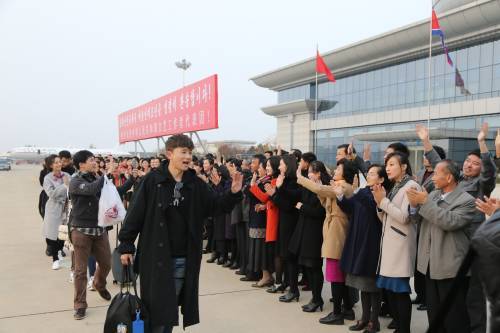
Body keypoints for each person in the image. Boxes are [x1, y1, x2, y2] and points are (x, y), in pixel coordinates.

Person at [118, 134, 243, 333]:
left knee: (165, 313)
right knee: (158, 313)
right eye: (183, 152)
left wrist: (234, 193)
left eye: (190, 153)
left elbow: (215, 207)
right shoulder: (153, 180)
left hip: (183, 259)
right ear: (170, 154)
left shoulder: (195, 183)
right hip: (156, 257)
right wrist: (126, 244)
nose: (188, 157)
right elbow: (135, 214)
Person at [416, 123, 497, 333]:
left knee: (468, 305)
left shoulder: (481, 185)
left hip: (470, 246)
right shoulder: (455, 182)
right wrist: (426, 141)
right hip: (448, 249)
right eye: (468, 161)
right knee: (441, 309)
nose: (470, 165)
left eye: (475, 163)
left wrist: (482, 142)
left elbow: (489, 171)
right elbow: (439, 166)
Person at [407, 159, 477, 333]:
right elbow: (417, 220)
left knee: (455, 318)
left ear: (449, 177)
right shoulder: (433, 195)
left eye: (437, 174)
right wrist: (414, 205)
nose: (433, 178)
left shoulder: (466, 200)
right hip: (431, 265)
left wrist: (424, 203)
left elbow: (449, 221)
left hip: (451, 267)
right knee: (435, 315)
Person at [296, 159, 357, 323]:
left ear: (345, 173)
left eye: (339, 168)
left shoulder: (343, 186)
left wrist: (300, 177)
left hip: (337, 231)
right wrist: (318, 187)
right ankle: (347, 310)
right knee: (338, 275)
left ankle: (337, 313)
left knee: (335, 275)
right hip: (334, 229)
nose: (335, 170)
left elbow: (320, 189)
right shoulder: (339, 186)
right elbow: (325, 201)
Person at [372, 152, 421, 333]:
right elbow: (385, 217)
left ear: (404, 166)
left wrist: (383, 201)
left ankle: (403, 329)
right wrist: (379, 204)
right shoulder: (395, 186)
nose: (388, 168)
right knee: (390, 292)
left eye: (392, 164)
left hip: (400, 246)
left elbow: (405, 217)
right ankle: (399, 327)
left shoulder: (411, 186)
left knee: (399, 292)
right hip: (390, 245)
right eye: (387, 165)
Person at [336, 164, 388, 332]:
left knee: (372, 285)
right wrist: (341, 198)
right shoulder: (364, 192)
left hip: (371, 241)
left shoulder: (378, 193)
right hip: (358, 239)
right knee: (363, 284)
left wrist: (357, 190)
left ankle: (374, 321)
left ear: (381, 179)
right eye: (369, 173)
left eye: (373, 173)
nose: (370, 175)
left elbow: (370, 205)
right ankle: (364, 318)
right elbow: (350, 207)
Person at [281, 161, 327, 311]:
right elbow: (295, 195)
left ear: (319, 174)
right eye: (308, 174)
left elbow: (320, 212)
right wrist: (280, 187)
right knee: (306, 266)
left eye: (311, 173)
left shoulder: (323, 189)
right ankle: (311, 297)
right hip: (302, 230)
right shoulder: (307, 187)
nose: (309, 176)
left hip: (314, 233)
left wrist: (302, 207)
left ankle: (317, 299)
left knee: (314, 267)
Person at [266, 155, 300, 294]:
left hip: (290, 223)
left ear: (288, 165)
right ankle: (286, 284)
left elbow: (287, 205)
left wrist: (276, 193)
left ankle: (293, 289)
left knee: (289, 257)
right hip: (284, 221)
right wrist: (275, 193)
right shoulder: (284, 180)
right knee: (283, 255)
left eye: (281, 164)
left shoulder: (294, 182)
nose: (279, 167)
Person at [250, 156, 281, 287]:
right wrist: (265, 205)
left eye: (268, 166)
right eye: (266, 166)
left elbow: (264, 197)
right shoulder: (272, 180)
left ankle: (272, 279)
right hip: (269, 216)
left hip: (274, 219)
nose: (267, 168)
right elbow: (269, 200)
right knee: (268, 251)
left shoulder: (274, 181)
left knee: (270, 251)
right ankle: (269, 277)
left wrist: (252, 185)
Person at [42, 154, 70, 270]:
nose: (59, 164)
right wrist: (64, 185)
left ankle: (59, 254)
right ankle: (55, 259)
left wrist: (67, 187)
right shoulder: (47, 178)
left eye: (60, 162)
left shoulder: (67, 175)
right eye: (56, 162)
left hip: (66, 208)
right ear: (50, 165)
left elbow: (72, 190)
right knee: (53, 235)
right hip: (53, 209)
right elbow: (51, 194)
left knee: (63, 234)